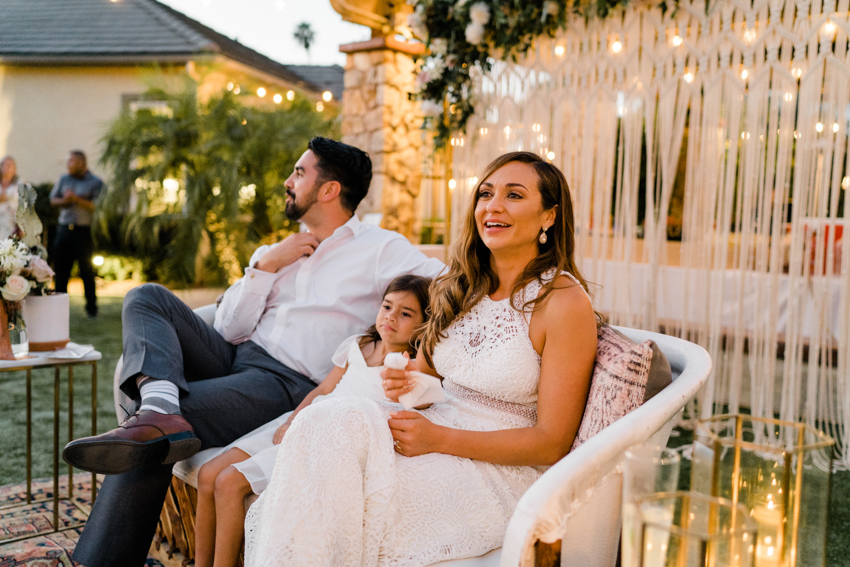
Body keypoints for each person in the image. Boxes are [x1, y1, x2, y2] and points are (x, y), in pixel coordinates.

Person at [63, 137, 444, 567]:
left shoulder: (379, 249)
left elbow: (448, 285)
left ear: (329, 190)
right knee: (146, 297)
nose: (288, 181)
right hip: (235, 353)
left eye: (299, 173)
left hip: (284, 382)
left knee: (150, 430)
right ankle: (160, 403)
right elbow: (228, 326)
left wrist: (418, 355)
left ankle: (101, 558)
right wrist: (264, 268)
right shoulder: (278, 250)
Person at [243, 151, 599, 566]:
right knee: (321, 421)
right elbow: (425, 378)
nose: (493, 206)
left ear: (549, 216)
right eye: (485, 194)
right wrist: (407, 383)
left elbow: (552, 442)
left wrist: (440, 438)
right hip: (430, 433)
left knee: (347, 491)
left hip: (494, 469)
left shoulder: (562, 302)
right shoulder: (462, 285)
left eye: (514, 195)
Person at [194, 274, 432, 567]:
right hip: (301, 418)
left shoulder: (407, 374)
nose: (391, 317)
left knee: (229, 483)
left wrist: (417, 375)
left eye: (405, 313)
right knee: (208, 474)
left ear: (424, 324)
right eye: (387, 307)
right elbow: (322, 389)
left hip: (323, 440)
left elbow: (424, 402)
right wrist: (292, 420)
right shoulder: (358, 345)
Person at [49, 150, 103, 317]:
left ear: (81, 163)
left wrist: (77, 200)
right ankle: (58, 309)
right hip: (64, 229)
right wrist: (65, 201)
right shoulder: (64, 179)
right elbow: (53, 200)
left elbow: (98, 205)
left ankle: (91, 309)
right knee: (61, 271)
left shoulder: (95, 182)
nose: (68, 165)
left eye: (71, 162)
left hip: (83, 231)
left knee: (86, 270)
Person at [0, 156, 21, 239]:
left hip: (10, 225)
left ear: (14, 169)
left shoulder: (19, 187)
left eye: (9, 165)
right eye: (4, 165)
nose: (7, 168)